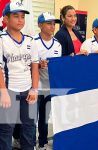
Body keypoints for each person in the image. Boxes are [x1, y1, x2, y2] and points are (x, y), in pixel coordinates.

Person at [0, 1, 39, 150]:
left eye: (22, 17)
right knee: (5, 130)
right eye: (15, 16)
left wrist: (34, 89)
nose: (20, 20)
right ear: (6, 19)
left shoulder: (30, 40)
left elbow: (34, 66)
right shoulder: (2, 40)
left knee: (29, 128)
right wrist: (3, 92)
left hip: (28, 91)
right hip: (9, 91)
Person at [34, 12, 62, 150]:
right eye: (48, 23)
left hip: (50, 87)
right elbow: (25, 64)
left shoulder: (57, 44)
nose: (52, 26)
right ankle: (28, 143)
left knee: (45, 118)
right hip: (35, 86)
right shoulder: (33, 42)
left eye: (53, 24)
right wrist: (38, 64)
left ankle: (42, 143)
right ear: (40, 25)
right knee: (31, 118)